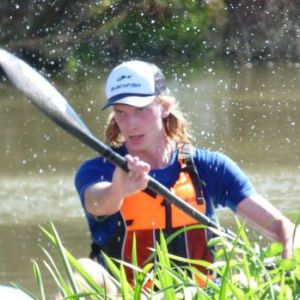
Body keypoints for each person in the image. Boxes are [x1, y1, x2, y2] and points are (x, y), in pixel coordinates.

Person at [74, 60, 299, 295]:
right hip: (129, 295)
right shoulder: (99, 169)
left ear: (165, 106)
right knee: (85, 269)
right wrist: (118, 189)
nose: (130, 124)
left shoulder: (208, 167)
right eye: (121, 112)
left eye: (141, 110)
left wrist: (290, 248)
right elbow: (96, 202)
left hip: (199, 295)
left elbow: (281, 226)